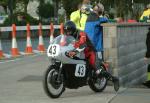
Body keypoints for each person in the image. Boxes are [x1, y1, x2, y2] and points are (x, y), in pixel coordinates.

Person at [64, 20, 120, 92]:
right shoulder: (67, 37)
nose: (68, 33)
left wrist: (74, 52)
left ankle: (114, 79)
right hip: (79, 54)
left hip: (90, 53)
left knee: (98, 71)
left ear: (73, 30)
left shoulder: (81, 33)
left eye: (69, 31)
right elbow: (63, 43)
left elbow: (83, 43)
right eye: (66, 31)